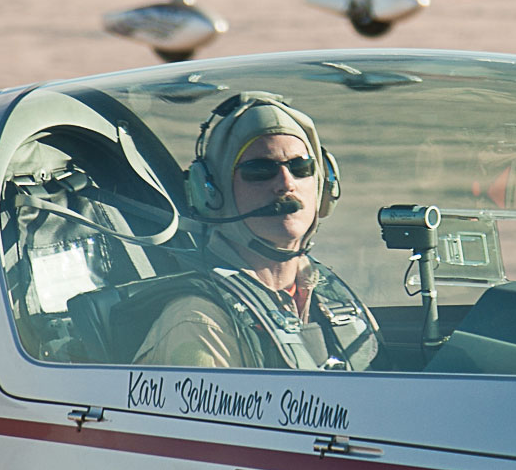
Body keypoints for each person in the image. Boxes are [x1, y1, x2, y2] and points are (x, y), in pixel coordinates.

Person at [133, 93, 378, 370]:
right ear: (211, 192)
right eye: (260, 170)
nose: (286, 184)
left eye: (301, 167)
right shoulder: (201, 322)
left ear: (324, 183)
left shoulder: (334, 298)